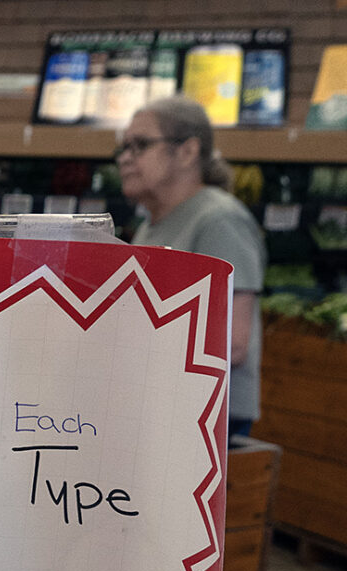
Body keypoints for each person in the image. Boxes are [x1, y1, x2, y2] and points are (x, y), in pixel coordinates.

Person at [117, 95, 267, 440]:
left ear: (187, 151)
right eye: (123, 148)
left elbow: (233, 343)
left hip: (206, 419)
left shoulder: (218, 220)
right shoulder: (151, 224)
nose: (125, 159)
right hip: (160, 409)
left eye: (140, 145)